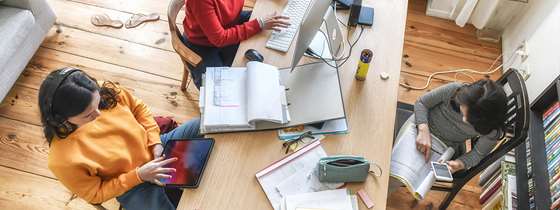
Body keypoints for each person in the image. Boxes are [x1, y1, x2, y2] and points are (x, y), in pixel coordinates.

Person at [39, 67, 202, 210]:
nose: (99, 114)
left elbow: (139, 108)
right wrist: (139, 176)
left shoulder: (99, 91)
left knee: (204, 124)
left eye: (98, 104)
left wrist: (156, 142)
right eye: (88, 114)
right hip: (133, 186)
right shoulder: (61, 160)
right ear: (60, 118)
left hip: (156, 148)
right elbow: (95, 194)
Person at [389, 79, 508, 193]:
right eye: (463, 112)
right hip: (421, 125)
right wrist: (423, 129)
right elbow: (422, 103)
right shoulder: (454, 90)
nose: (464, 119)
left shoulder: (491, 131)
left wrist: (460, 163)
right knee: (393, 165)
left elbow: (477, 154)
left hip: (444, 147)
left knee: (401, 175)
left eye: (470, 121)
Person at [182, 0, 290, 89]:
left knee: (277, 20)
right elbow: (219, 38)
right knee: (218, 90)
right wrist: (259, 24)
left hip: (229, 23)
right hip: (201, 44)